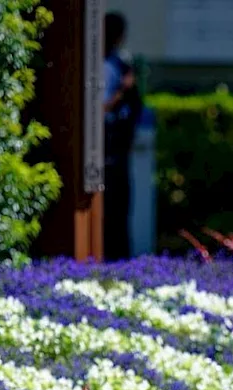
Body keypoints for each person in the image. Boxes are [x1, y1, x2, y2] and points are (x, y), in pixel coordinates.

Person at [103, 11, 142, 261]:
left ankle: (120, 260)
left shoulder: (121, 64)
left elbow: (135, 105)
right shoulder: (103, 64)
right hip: (104, 145)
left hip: (116, 147)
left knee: (118, 210)